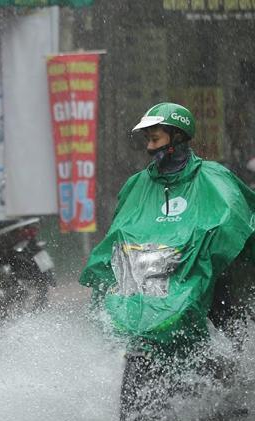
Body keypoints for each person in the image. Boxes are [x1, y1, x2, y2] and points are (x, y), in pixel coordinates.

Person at [80, 102, 255, 356]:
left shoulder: (213, 177)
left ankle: (235, 368)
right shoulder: (137, 184)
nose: (150, 148)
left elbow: (233, 218)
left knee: (226, 312)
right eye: (147, 140)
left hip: (202, 269)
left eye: (155, 139)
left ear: (178, 137)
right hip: (155, 273)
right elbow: (120, 229)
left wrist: (204, 244)